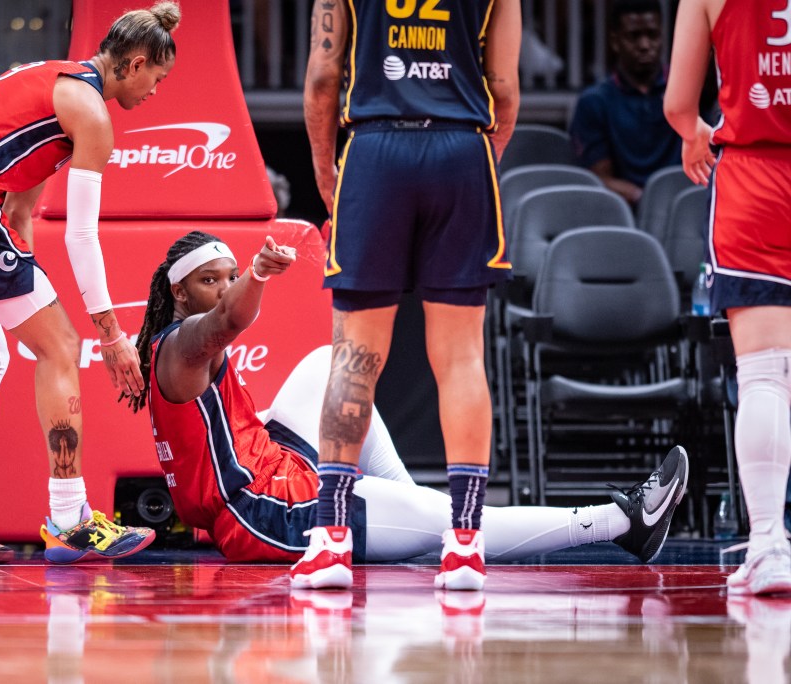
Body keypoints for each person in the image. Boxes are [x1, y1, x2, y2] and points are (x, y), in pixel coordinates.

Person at [127, 230, 689, 574]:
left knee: (329, 361)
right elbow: (229, 319)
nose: (224, 287)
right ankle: (619, 523)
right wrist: (254, 275)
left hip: (274, 466)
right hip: (264, 515)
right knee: (456, 521)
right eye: (211, 280)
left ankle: (400, 505)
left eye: (229, 275)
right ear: (179, 292)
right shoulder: (181, 347)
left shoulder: (166, 347)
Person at [0, 2, 181, 564]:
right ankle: (70, 520)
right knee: (63, 346)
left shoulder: (47, 78)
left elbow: (19, 217)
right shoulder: (91, 113)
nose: (156, 93)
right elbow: (82, 238)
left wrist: (31, 283)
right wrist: (112, 336)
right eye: (158, 79)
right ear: (135, 64)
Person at [301, 0, 520, 591]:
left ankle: (331, 541)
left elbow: (323, 78)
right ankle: (467, 543)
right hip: (461, 147)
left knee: (354, 356)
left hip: (375, 151)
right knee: (461, 358)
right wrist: (476, 167)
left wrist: (328, 175)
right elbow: (503, 88)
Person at [664, 0, 791, 596]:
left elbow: (678, 106)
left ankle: (768, 543)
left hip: (755, 184)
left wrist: (696, 136)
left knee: (764, 375)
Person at [569, 0, 682, 206]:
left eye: (652, 35)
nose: (645, 45)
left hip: (682, 206)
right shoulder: (594, 102)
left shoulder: (687, 92)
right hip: (622, 211)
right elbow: (599, 180)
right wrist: (647, 201)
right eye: (634, 36)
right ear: (615, 41)